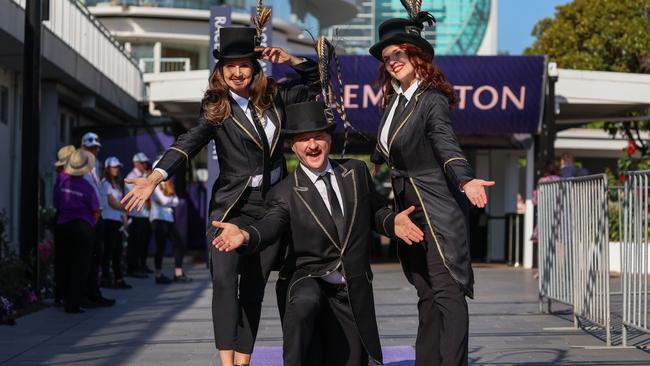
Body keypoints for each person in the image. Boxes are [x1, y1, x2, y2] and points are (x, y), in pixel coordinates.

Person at [121, 21, 321, 366]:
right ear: (221, 70)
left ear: (255, 67)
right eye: (230, 66)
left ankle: (243, 359)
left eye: (244, 65)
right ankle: (226, 362)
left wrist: (290, 59)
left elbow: (317, 80)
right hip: (230, 206)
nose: (238, 72)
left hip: (271, 206)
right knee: (225, 281)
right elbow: (189, 142)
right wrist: (155, 176)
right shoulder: (216, 107)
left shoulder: (276, 96)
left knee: (254, 288)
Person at [212, 100, 424, 366]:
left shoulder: (356, 172)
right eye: (304, 139)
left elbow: (376, 212)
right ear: (293, 146)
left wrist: (391, 223)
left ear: (329, 140)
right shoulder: (284, 192)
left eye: (318, 137)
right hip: (308, 281)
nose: (312, 145)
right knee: (305, 304)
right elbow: (271, 224)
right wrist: (245, 235)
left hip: (350, 289)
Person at [369, 3, 494, 365]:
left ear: (418, 56)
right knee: (425, 291)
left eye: (400, 53)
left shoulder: (431, 99)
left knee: (446, 291)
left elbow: (444, 141)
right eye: (387, 56)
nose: (393, 60)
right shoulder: (394, 103)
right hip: (409, 211)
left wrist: (466, 178)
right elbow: (382, 155)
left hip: (436, 208)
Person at [53, 149, 100, 313]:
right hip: (82, 227)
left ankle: (63, 297)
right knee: (80, 266)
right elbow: (95, 210)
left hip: (63, 225)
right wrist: (92, 226)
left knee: (64, 262)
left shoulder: (61, 182)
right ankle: (74, 303)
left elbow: (56, 203)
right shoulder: (87, 187)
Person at [79, 132, 115, 307]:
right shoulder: (78, 165)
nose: (94, 150)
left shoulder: (96, 164)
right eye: (90, 147)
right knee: (85, 259)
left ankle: (94, 292)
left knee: (96, 257)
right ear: (82, 147)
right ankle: (84, 294)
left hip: (97, 214)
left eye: (96, 148)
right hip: (86, 216)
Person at [149, 167, 192, 284]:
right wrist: (170, 199)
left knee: (179, 245)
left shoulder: (167, 184)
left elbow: (176, 201)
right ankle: (158, 275)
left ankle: (178, 273)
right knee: (160, 247)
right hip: (157, 219)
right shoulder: (152, 184)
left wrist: (169, 200)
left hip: (168, 219)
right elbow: (163, 200)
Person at [100, 156, 131, 289]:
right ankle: (105, 279)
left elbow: (121, 203)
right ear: (107, 168)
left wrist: (124, 219)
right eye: (114, 167)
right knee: (108, 252)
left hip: (116, 222)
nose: (117, 169)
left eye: (118, 167)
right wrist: (127, 208)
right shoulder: (104, 184)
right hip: (107, 221)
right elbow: (113, 203)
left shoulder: (117, 184)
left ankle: (119, 279)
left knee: (118, 251)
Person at [53, 145, 76, 306]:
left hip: (62, 218)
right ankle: (65, 294)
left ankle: (61, 294)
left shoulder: (60, 177)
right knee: (67, 260)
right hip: (67, 219)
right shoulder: (66, 178)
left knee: (63, 259)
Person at [124, 152, 153, 278]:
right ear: (136, 163)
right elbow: (139, 195)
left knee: (144, 242)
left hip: (144, 215)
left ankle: (142, 265)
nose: (145, 165)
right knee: (134, 243)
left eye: (145, 163)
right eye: (142, 163)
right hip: (136, 215)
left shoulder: (144, 176)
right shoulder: (131, 177)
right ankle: (132, 268)